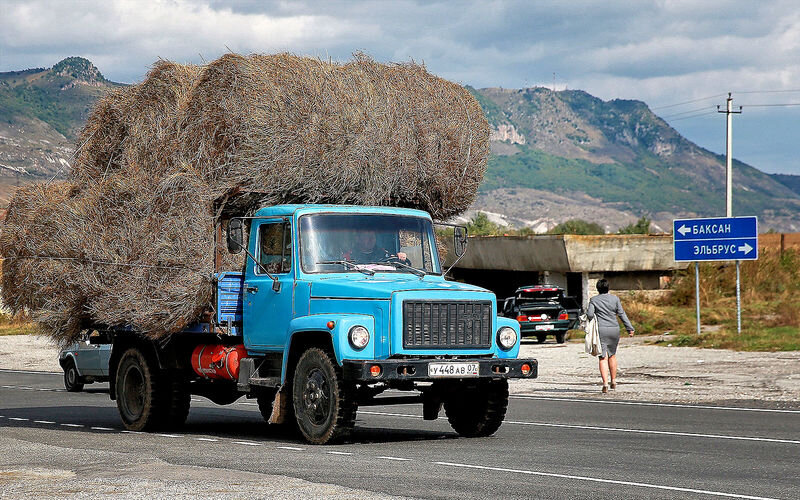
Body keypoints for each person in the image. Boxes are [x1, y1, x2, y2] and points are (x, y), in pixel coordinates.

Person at [586, 278, 634, 394]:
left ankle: (605, 384)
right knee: (612, 355)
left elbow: (590, 315)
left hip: (601, 330)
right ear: (608, 288)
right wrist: (629, 328)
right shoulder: (615, 299)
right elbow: (622, 314)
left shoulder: (594, 300)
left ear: (597, 289)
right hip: (614, 329)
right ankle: (614, 380)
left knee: (603, 357)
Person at [344, 230, 410, 265]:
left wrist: (400, 258)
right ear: (358, 239)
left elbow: (397, 265)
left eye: (373, 236)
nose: (371, 239)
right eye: (367, 236)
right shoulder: (348, 256)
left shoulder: (385, 254)